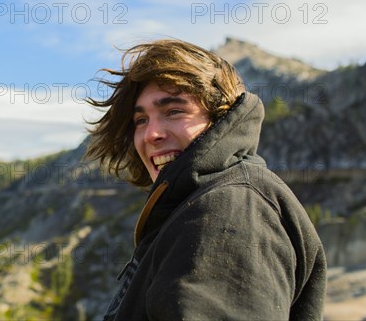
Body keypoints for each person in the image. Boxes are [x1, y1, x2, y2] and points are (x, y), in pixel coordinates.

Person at [85, 39, 327, 320]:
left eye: (174, 111)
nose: (151, 134)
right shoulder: (201, 201)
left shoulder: (230, 207)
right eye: (141, 121)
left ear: (220, 116)